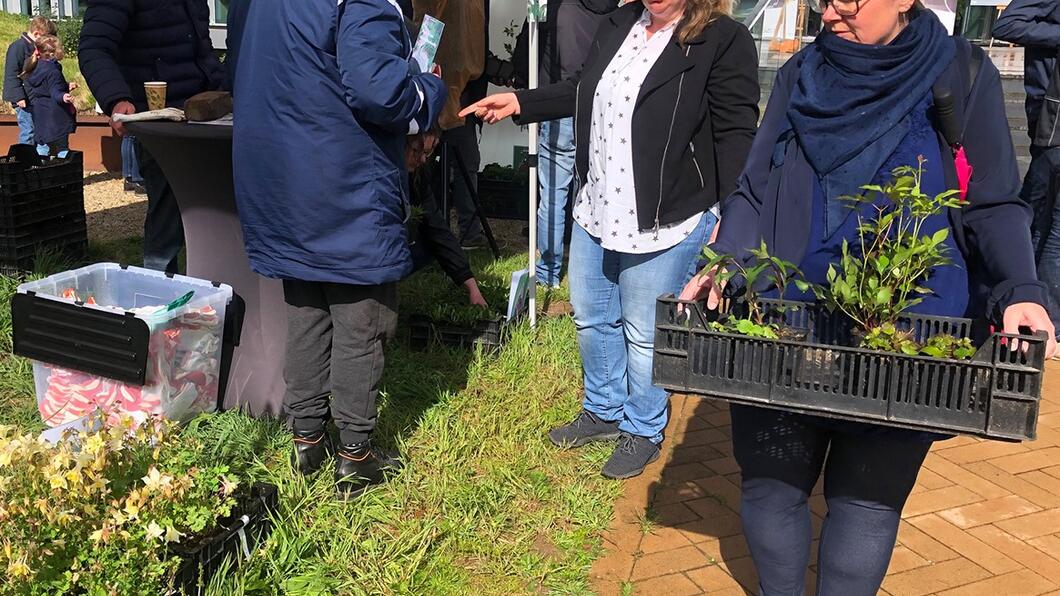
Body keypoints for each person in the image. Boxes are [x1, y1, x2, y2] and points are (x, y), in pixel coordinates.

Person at [678, 0, 1058, 592]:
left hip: (907, 331)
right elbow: (753, 187)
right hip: (784, 319)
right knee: (769, 486)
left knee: (867, 502)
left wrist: (1021, 289)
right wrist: (722, 260)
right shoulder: (801, 74)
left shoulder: (960, 74)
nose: (831, 12)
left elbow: (993, 200)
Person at [462, 0, 759, 479]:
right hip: (597, 208)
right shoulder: (621, 23)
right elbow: (584, 89)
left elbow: (736, 136)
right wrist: (523, 103)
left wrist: (733, 219)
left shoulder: (722, 39)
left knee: (644, 333)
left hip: (667, 218)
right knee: (594, 316)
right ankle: (602, 409)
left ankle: (642, 427)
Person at [227, 0, 446, 500]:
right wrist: (430, 88)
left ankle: (307, 438)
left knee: (305, 306)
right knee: (362, 319)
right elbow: (380, 93)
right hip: (344, 180)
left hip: (278, 178)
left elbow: (238, 67)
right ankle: (356, 454)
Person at [79, 0, 225, 274]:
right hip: (162, 126)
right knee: (167, 220)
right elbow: (94, 47)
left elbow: (202, 50)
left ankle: (216, 290)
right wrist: (117, 99)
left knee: (215, 216)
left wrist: (223, 84)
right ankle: (161, 295)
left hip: (206, 115)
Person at [510, 0, 622, 288]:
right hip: (599, 109)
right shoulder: (619, 10)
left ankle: (548, 273)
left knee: (553, 194)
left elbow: (526, 50)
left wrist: (524, 89)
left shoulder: (552, 5)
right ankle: (594, 270)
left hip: (557, 105)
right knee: (595, 189)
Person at [993, 0, 1060, 342]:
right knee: (1038, 222)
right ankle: (1037, 315)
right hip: (1049, 116)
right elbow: (1005, 25)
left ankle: (1027, 307)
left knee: (1038, 219)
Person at [407, 130, 489, 307]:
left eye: (427, 153)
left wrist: (471, 284)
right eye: (416, 151)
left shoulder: (418, 176)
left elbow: (437, 228)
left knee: (428, 245)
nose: (422, 159)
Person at [3, 16, 55, 153]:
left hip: (37, 97)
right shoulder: (18, 47)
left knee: (41, 131)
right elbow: (11, 74)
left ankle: (40, 161)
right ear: (37, 34)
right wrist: (18, 97)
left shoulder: (38, 48)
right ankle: (24, 161)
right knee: (29, 131)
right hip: (25, 98)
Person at [20, 35, 76, 158]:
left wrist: (65, 86)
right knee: (62, 146)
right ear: (52, 54)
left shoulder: (33, 67)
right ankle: (63, 171)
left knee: (42, 144)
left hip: (40, 110)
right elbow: (55, 92)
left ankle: (40, 171)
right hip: (55, 112)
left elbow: (46, 87)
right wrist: (63, 96)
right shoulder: (53, 71)